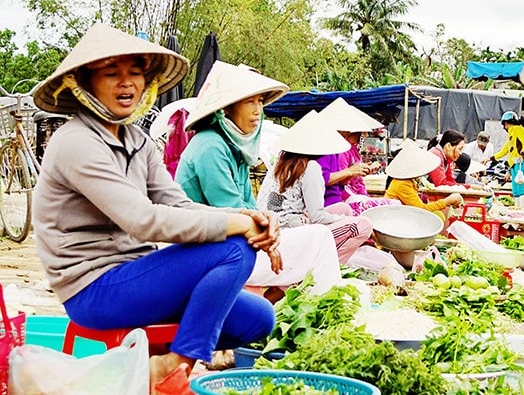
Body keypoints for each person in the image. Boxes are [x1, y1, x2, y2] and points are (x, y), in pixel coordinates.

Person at [30, 24, 278, 393]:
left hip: (138, 277)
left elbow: (177, 202)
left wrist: (248, 217)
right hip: (95, 291)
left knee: (260, 317)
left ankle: (165, 359)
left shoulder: (137, 140)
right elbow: (143, 219)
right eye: (112, 73)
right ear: (84, 84)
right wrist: (235, 227)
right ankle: (173, 363)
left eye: (135, 73)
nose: (126, 83)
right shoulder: (76, 143)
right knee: (233, 248)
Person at [176, 61, 343, 296]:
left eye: (260, 102)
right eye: (249, 102)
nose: (258, 110)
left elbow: (250, 206)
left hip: (233, 243)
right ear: (227, 108)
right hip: (207, 253)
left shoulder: (234, 148)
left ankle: (312, 305)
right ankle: (325, 314)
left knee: (316, 240)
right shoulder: (211, 147)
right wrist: (269, 240)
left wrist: (269, 231)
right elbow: (231, 212)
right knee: (321, 236)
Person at [258, 110, 373, 264]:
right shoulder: (310, 167)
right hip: (289, 234)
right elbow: (317, 217)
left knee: (343, 208)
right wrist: (348, 219)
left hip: (272, 227)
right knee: (364, 225)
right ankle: (323, 265)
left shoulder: (282, 162)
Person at [317, 97, 398, 214]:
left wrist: (358, 171)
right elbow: (324, 179)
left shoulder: (339, 150)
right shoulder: (330, 151)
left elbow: (342, 181)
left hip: (339, 199)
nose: (365, 136)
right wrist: (351, 171)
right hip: (335, 202)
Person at [385, 139, 464, 223]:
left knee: (438, 214)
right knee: (436, 216)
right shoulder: (403, 184)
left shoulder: (410, 181)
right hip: (395, 219)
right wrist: (447, 201)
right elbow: (421, 210)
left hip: (402, 216)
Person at [493, 111, 524, 207]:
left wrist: (522, 154)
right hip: (515, 163)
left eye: (504, 124)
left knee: (521, 189)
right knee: (516, 190)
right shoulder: (511, 134)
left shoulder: (518, 129)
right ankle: (517, 209)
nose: (504, 127)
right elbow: (505, 150)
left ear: (506, 123)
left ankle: (521, 211)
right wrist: (491, 158)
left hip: (523, 162)